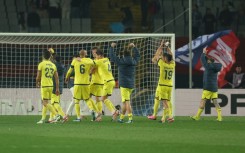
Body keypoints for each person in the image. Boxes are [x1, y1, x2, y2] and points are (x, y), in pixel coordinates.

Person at [65, 50, 102, 121]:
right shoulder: (89, 60)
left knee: (76, 100)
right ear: (86, 54)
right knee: (87, 99)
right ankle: (91, 110)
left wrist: (67, 77)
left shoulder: (75, 61)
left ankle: (78, 117)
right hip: (86, 83)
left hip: (77, 83)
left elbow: (70, 70)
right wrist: (90, 70)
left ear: (79, 54)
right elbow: (95, 64)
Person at [109, 42, 140, 123]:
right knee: (124, 102)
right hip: (131, 84)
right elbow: (138, 55)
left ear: (123, 55)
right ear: (130, 54)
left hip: (124, 85)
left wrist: (112, 48)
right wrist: (134, 47)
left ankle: (130, 119)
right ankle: (121, 118)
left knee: (127, 102)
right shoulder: (133, 61)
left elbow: (112, 57)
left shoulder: (120, 61)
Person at [191, 48, 223, 121]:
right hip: (214, 87)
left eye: (207, 61)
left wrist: (203, 53)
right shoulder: (215, 67)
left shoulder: (208, 67)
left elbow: (202, 60)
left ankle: (197, 116)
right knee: (215, 101)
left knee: (203, 101)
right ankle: (220, 117)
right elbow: (206, 60)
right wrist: (206, 55)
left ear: (209, 62)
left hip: (208, 87)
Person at [149, 41, 175, 123]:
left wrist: (160, 46)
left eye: (164, 57)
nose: (163, 58)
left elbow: (157, 55)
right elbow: (172, 56)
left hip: (162, 85)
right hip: (169, 86)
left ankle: (170, 116)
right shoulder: (172, 64)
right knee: (160, 99)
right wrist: (167, 47)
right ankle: (157, 116)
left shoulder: (162, 64)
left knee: (165, 102)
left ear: (165, 59)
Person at [92, 49, 119, 121]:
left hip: (107, 82)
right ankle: (114, 112)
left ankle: (115, 111)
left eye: (96, 55)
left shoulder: (99, 61)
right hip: (111, 80)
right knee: (104, 99)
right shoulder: (107, 59)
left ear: (100, 55)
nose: (96, 57)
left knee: (103, 99)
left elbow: (91, 63)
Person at [36, 49, 61, 124]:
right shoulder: (53, 65)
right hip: (51, 86)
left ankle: (57, 115)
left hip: (44, 85)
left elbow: (38, 76)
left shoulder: (41, 64)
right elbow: (56, 77)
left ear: (43, 56)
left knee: (45, 103)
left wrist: (37, 82)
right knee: (46, 102)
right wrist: (57, 88)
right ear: (50, 57)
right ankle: (43, 118)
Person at [65, 54, 89, 121]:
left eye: (76, 58)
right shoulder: (71, 66)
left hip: (77, 83)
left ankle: (71, 115)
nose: (75, 60)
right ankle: (68, 115)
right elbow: (69, 73)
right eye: (74, 59)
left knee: (76, 99)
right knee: (75, 99)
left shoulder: (79, 64)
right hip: (71, 84)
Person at [48, 54, 68, 123]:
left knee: (55, 103)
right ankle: (51, 118)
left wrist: (50, 54)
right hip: (60, 86)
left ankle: (63, 115)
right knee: (53, 103)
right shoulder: (63, 66)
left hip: (55, 87)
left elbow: (49, 62)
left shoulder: (54, 66)